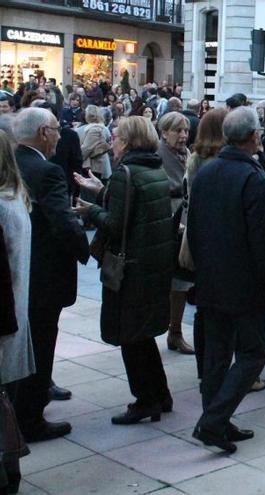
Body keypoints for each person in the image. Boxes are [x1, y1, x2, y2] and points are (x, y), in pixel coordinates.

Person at [188, 107, 265, 453]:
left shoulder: (207, 172)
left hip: (212, 280)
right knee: (253, 351)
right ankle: (214, 421)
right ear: (253, 137)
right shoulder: (255, 179)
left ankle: (216, 420)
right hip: (245, 285)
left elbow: (195, 231)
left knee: (216, 356)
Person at [72, 116, 175, 425]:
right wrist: (103, 190)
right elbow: (136, 210)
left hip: (130, 270)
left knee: (131, 337)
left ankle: (145, 400)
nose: (111, 142)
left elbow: (116, 224)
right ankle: (160, 394)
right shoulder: (153, 168)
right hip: (152, 266)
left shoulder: (126, 173)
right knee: (143, 335)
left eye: (115, 138)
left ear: (128, 142)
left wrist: (92, 209)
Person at [11, 108, 89, 440]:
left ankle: (17, 406)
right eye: (57, 129)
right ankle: (31, 419)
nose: (60, 135)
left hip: (18, 270)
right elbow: (64, 222)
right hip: (44, 275)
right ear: (44, 132)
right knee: (42, 343)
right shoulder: (48, 172)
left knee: (22, 342)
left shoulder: (12, 164)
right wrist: (86, 250)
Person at [0, 129, 35, 494]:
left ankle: (9, 471)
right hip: (13, 312)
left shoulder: (4, 205)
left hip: (6, 314)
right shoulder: (15, 200)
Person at [184, 107, 227, 379]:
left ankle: (205, 366)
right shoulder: (216, 163)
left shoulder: (196, 159)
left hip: (198, 238)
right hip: (217, 242)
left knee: (203, 307)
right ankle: (214, 368)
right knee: (218, 311)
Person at [156, 112, 194, 355]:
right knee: (167, 283)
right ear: (164, 132)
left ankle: (175, 332)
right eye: (177, 130)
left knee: (181, 283)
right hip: (167, 224)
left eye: (186, 131)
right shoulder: (157, 156)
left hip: (186, 221)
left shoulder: (188, 155)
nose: (182, 136)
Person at [77, 105, 113, 180]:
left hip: (94, 165)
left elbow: (87, 148)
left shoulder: (94, 129)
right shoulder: (102, 127)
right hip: (100, 164)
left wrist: (78, 158)